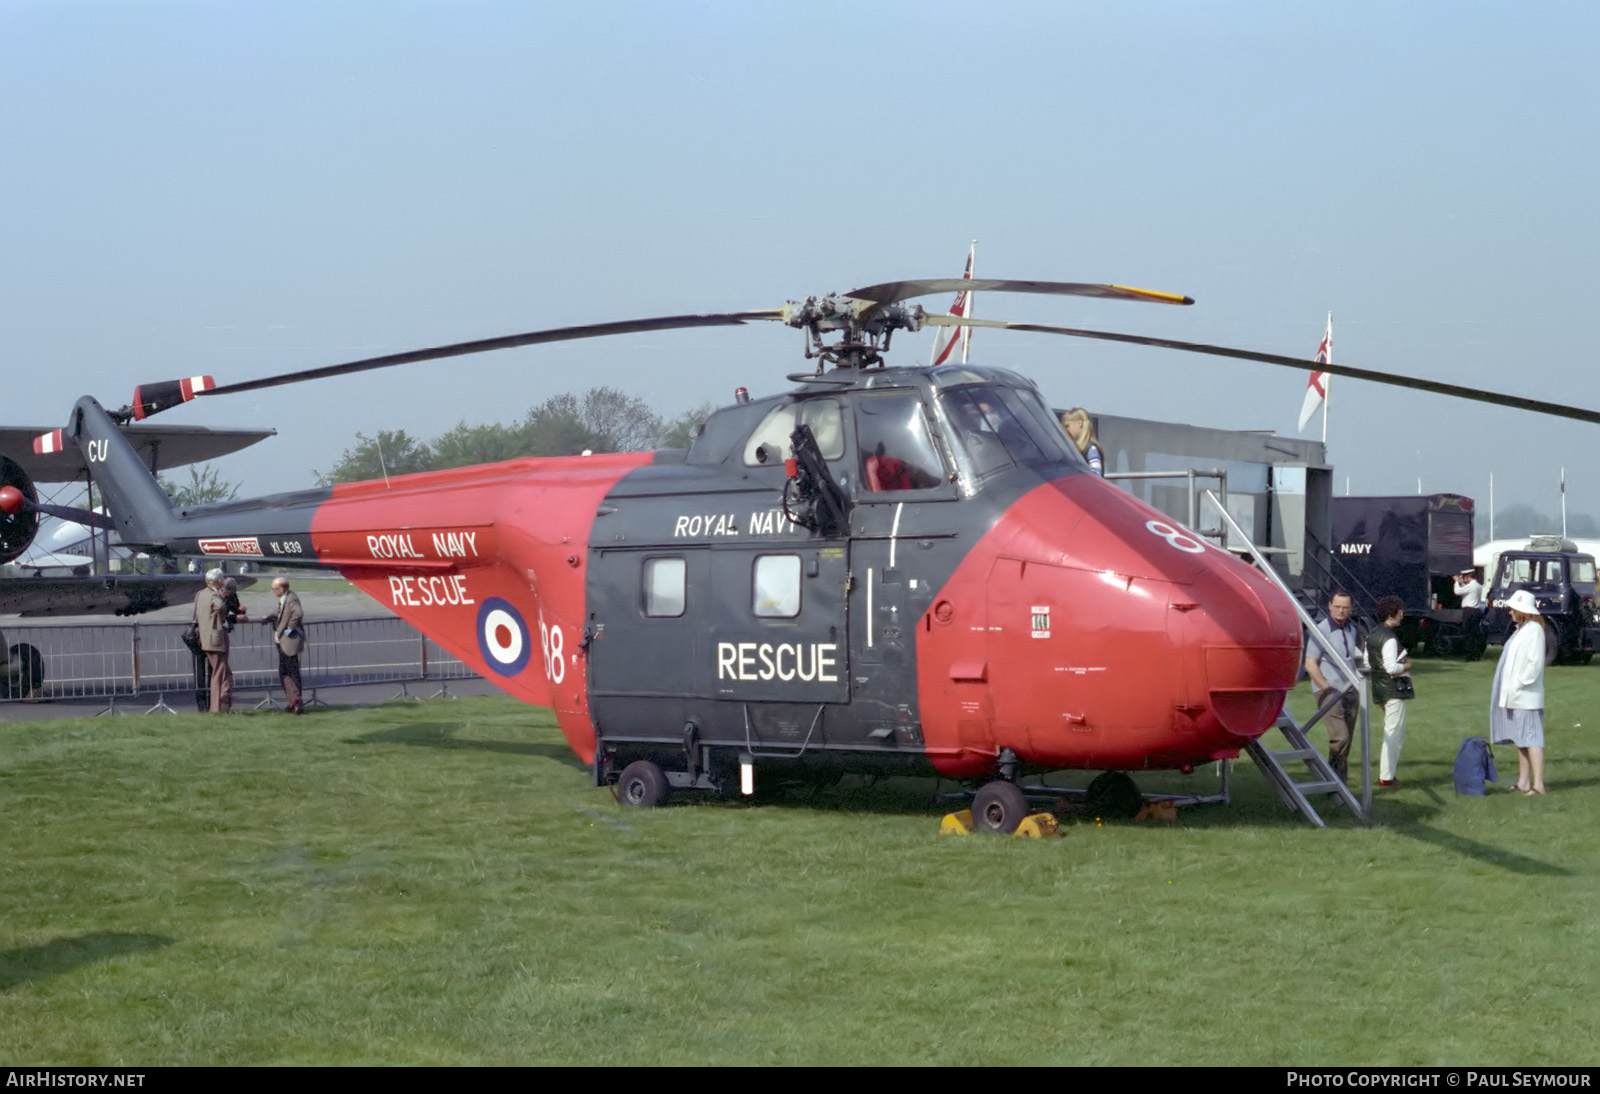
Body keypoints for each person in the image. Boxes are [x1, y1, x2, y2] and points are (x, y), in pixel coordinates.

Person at [1304, 590, 1364, 782]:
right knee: (1340, 737)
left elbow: (1352, 660)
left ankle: (1338, 782)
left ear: (1351, 609)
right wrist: (1325, 688)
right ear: (1329, 606)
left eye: (1345, 608)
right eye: (1337, 607)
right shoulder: (1320, 630)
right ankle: (1333, 780)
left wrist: (1356, 682)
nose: (1341, 611)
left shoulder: (1351, 629)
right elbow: (1310, 663)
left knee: (1347, 740)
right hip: (1329, 691)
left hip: (1350, 690)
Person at [1491, 589, 1546, 795]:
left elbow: (1535, 663)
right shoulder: (1520, 629)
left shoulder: (1535, 631)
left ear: (1522, 610)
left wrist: (1520, 682)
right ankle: (1523, 782)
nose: (1510, 612)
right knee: (1521, 741)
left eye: (1513, 608)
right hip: (1516, 696)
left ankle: (1538, 785)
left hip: (1526, 697)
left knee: (1532, 740)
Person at [1366, 595, 1413, 787]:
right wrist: (1407, 666)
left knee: (1391, 731)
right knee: (1394, 734)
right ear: (1391, 613)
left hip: (1379, 688)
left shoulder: (1372, 634)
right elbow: (1391, 667)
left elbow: (1366, 661)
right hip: (1393, 689)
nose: (1402, 614)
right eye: (1400, 611)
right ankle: (1386, 776)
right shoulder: (1390, 638)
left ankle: (1387, 774)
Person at [259, 576, 307, 713]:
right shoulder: (284, 599)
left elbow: (298, 613)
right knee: (287, 672)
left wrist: (289, 628)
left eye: (274, 589)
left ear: (282, 588)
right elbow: (282, 613)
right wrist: (270, 617)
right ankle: (293, 701)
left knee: (289, 672)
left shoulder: (291, 598)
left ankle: (296, 701)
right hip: (284, 642)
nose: (272, 591)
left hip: (289, 642)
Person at [192, 568, 233, 714]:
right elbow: (220, 606)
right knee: (220, 673)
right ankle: (218, 707)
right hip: (215, 639)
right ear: (219, 581)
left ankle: (223, 704)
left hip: (204, 638)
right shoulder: (214, 595)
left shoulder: (200, 594)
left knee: (221, 672)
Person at [1060, 407, 1104, 476]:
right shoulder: (1079, 447)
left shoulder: (1091, 449)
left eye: (1067, 426)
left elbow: (1097, 475)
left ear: (1079, 424)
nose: (1066, 430)